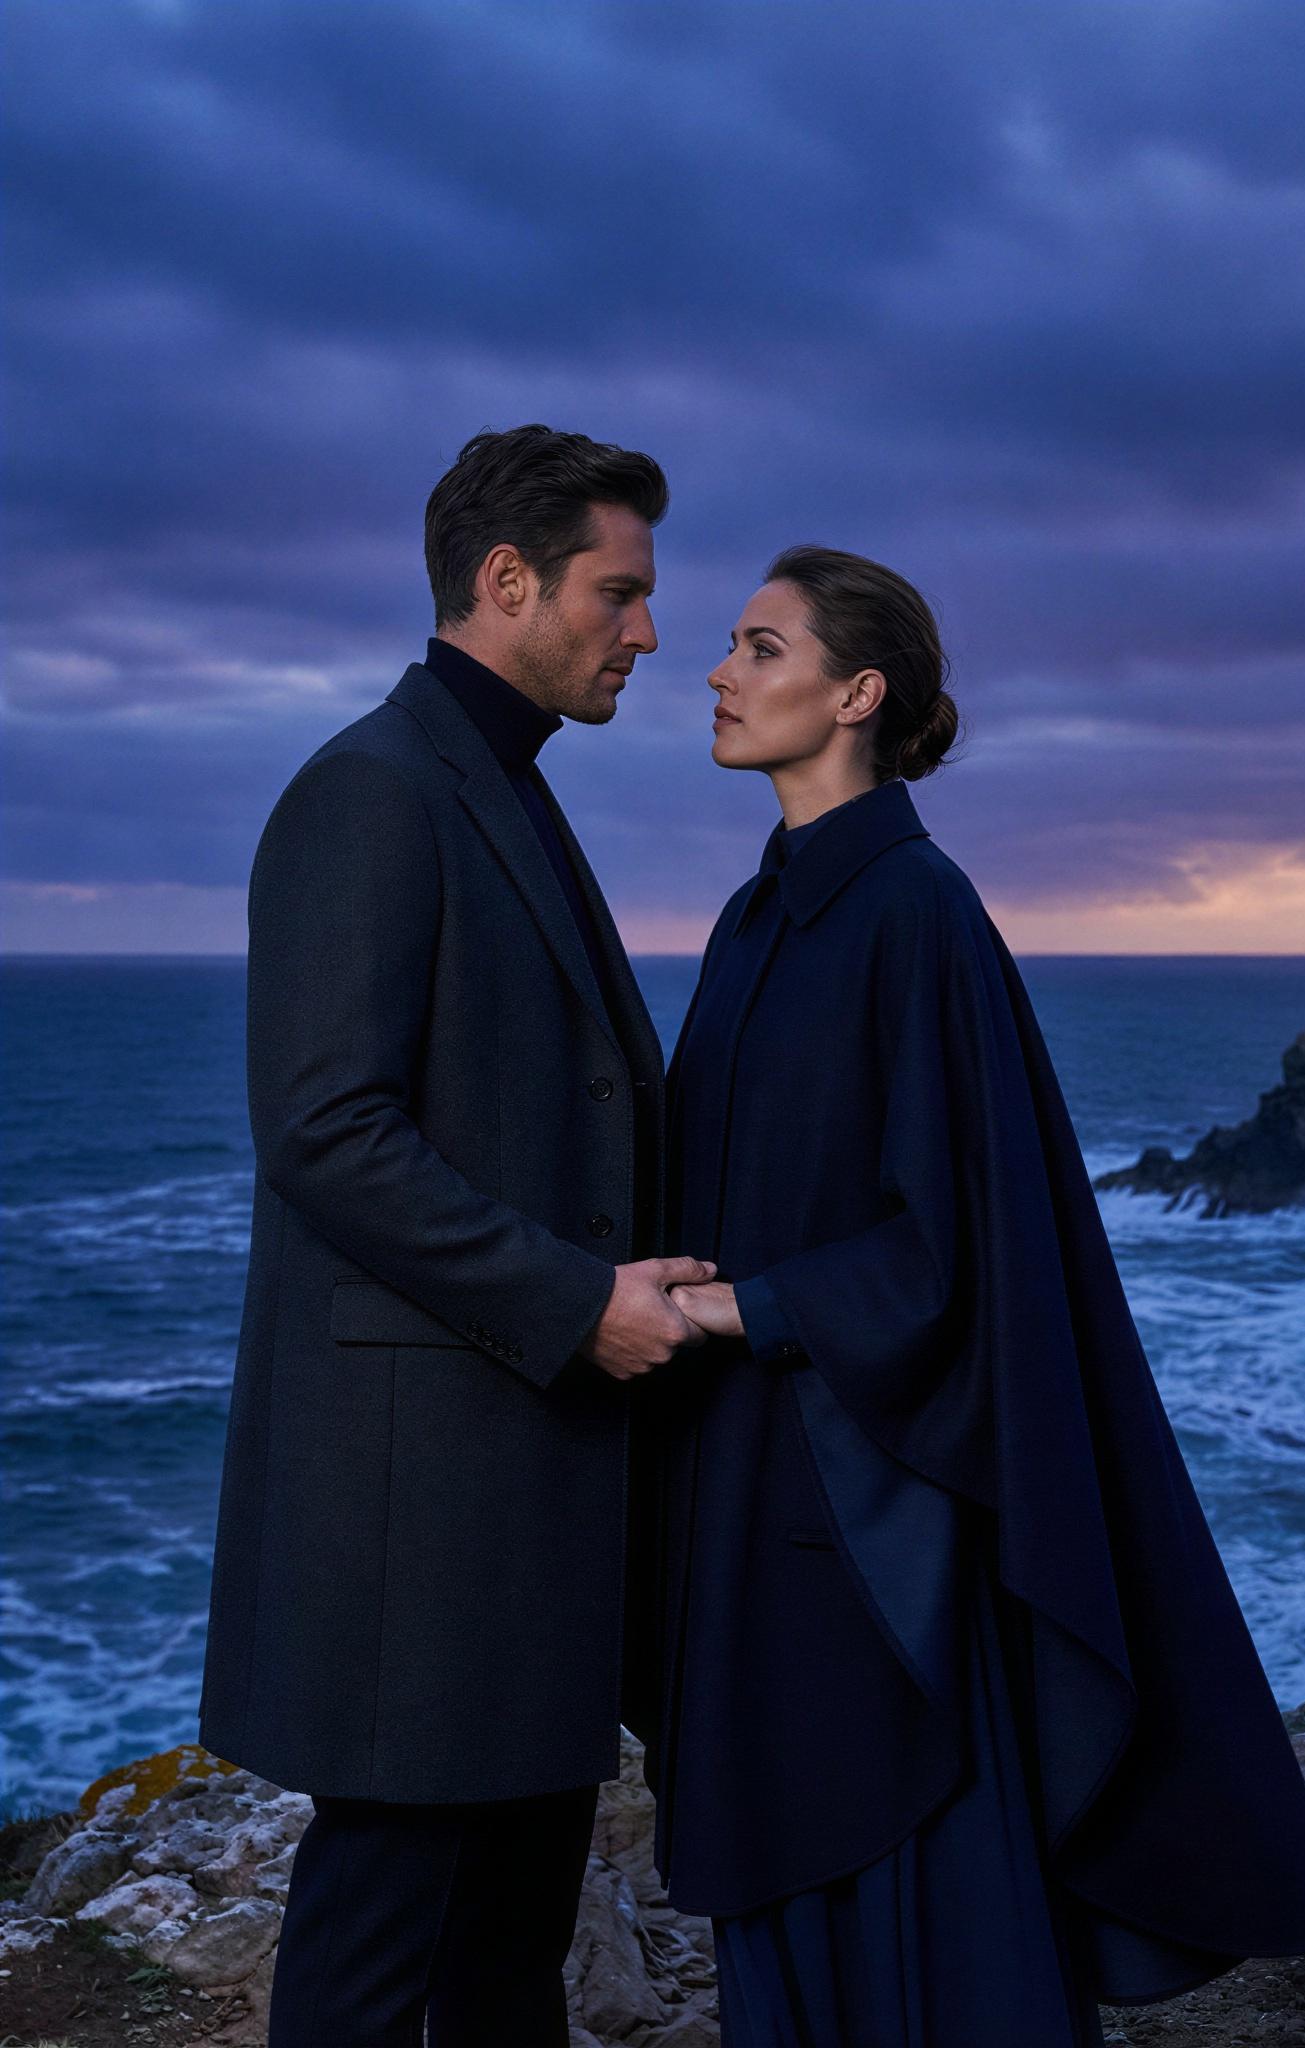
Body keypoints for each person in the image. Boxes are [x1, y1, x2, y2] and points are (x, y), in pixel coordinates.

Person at [648, 545, 1305, 2046]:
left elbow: (961, 1241)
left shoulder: (919, 911)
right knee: (780, 1839)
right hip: (753, 1471)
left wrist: (740, 1310)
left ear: (857, 693)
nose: (716, 670)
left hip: (879, 1492)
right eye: (731, 644)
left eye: (760, 647)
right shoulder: (755, 917)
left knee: (904, 1853)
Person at [199, 424, 717, 2048]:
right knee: (383, 1945)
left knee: (507, 1950)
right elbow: (324, 1132)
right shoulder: (370, 790)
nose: (648, 632)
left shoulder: (498, 781)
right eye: (618, 593)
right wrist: (579, 1302)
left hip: (523, 1484)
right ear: (507, 581)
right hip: (424, 1508)